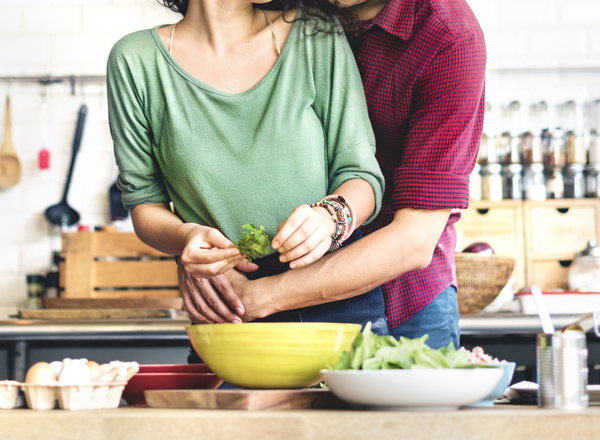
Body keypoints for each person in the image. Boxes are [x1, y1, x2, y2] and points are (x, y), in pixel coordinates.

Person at [178, 0, 487, 350]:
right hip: (258, 285)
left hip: (398, 299)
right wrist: (195, 255)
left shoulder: (448, 35)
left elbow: (413, 241)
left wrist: (254, 298)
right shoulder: (280, 6)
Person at [106, 0, 389, 336]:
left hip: (335, 300)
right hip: (227, 306)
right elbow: (144, 205)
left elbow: (361, 175)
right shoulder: (135, 60)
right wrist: (187, 238)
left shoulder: (315, 31)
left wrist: (330, 217)